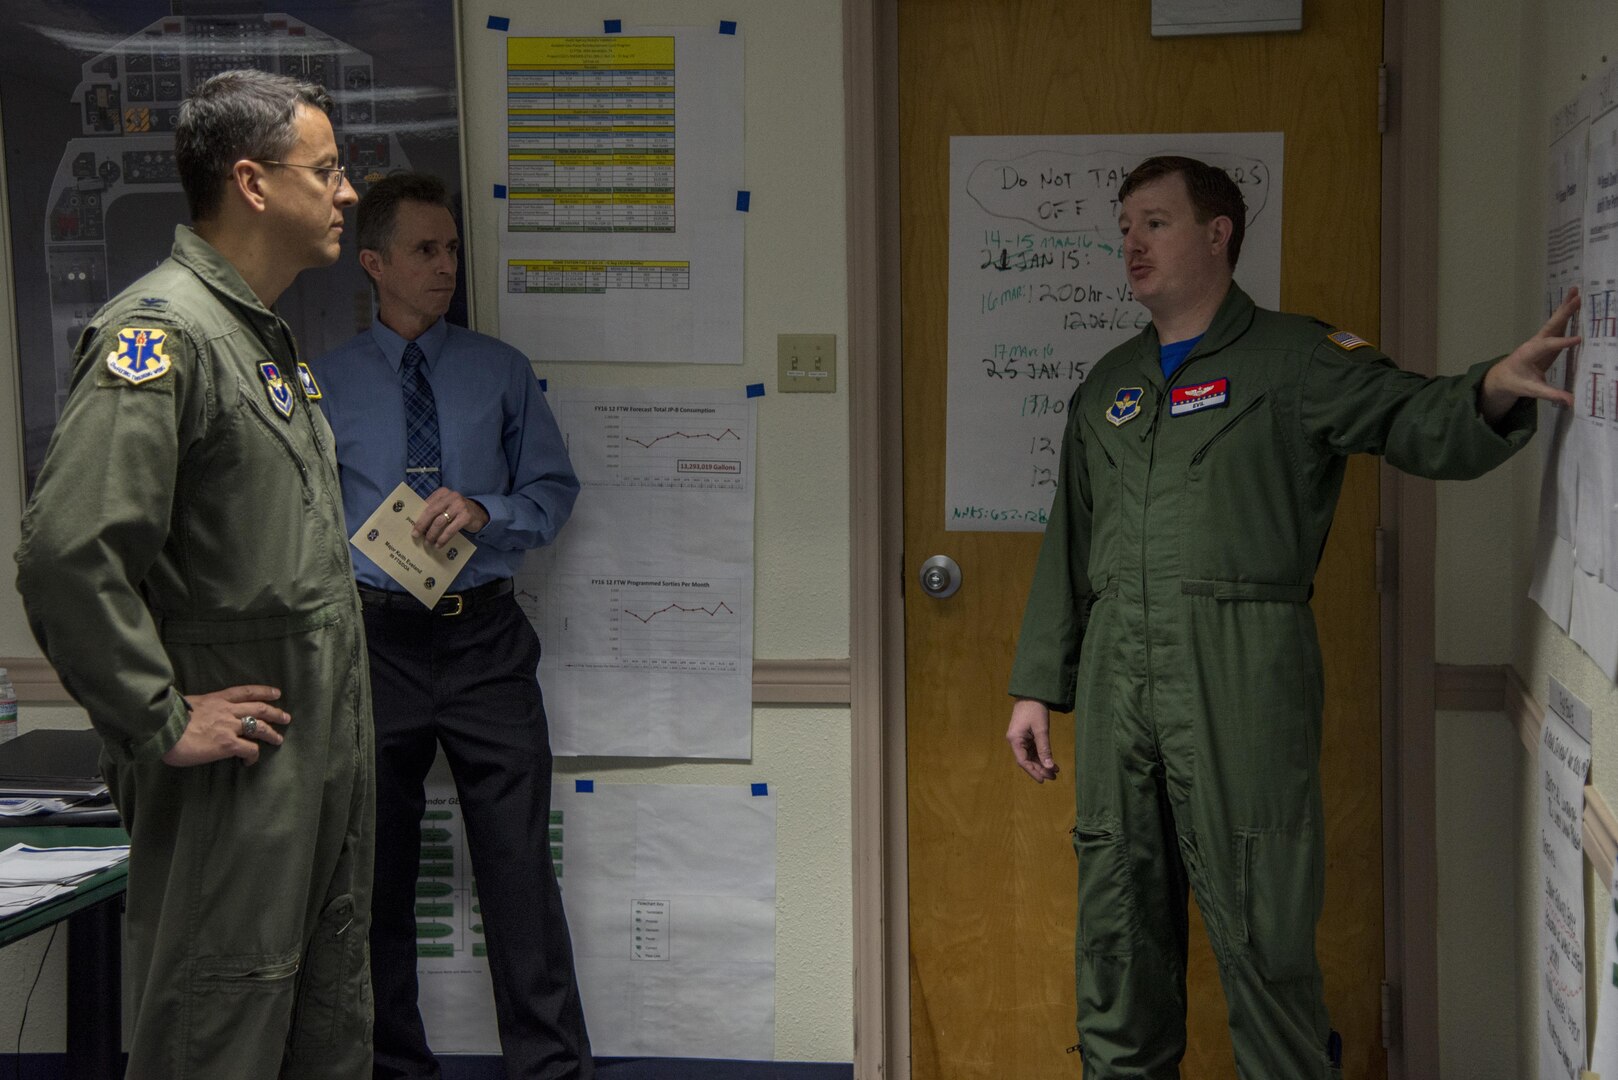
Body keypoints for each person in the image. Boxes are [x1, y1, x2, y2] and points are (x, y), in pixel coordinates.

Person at [1004, 155, 1579, 1080]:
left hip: (1240, 675)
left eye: (1154, 223)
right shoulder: (1108, 386)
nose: (1131, 245)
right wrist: (1037, 686)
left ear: (1217, 232)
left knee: (1262, 926)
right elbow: (1069, 542)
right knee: (1116, 930)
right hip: (1119, 683)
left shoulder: (1298, 359)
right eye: (1124, 228)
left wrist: (1493, 386)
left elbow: (1411, 415)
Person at [14, 70, 371, 1078]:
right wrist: (158, 716)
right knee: (218, 1027)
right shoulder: (162, 337)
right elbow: (67, 552)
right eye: (329, 169)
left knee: (314, 1017)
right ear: (253, 184)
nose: (347, 192)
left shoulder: (261, 340)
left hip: (308, 756)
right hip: (237, 775)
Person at [309, 172, 590, 1080]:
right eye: (425, 250)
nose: (445, 267)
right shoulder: (321, 384)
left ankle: (549, 1069)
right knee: (378, 875)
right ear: (375, 262)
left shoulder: (500, 371)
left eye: (453, 248)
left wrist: (486, 511)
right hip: (374, 641)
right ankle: (393, 1066)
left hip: (485, 642)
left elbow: (553, 492)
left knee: (517, 869)